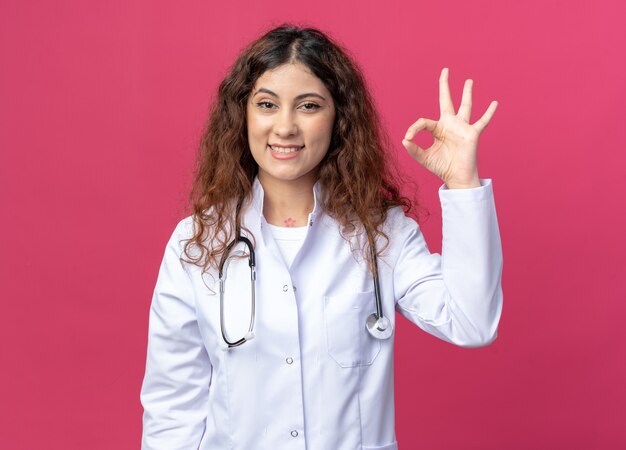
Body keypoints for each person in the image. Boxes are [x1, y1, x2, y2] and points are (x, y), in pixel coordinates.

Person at [140, 24, 503, 450]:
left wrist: (463, 181)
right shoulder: (199, 243)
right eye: (267, 105)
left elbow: (472, 322)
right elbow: (173, 407)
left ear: (340, 119)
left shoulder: (381, 234)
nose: (286, 127)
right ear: (244, 115)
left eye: (309, 106)